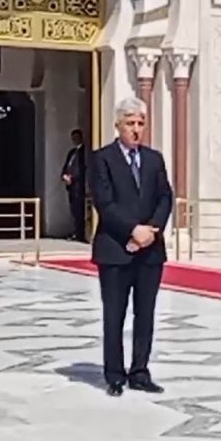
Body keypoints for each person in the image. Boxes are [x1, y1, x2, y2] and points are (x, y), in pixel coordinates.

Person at [88, 98, 174, 397]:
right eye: (130, 123)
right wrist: (133, 230)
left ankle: (140, 371)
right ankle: (114, 374)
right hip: (115, 250)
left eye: (140, 123)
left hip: (150, 250)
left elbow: (165, 197)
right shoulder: (102, 159)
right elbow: (104, 202)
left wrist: (152, 229)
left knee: (145, 314)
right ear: (118, 125)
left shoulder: (154, 159)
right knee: (115, 314)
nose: (136, 129)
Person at [61, 128, 87, 241]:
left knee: (79, 211)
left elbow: (82, 169)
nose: (74, 140)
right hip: (71, 187)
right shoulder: (72, 152)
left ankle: (80, 234)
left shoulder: (84, 152)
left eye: (76, 137)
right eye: (73, 138)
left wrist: (73, 177)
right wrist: (64, 175)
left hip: (79, 186)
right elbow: (67, 165)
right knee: (73, 210)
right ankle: (75, 231)